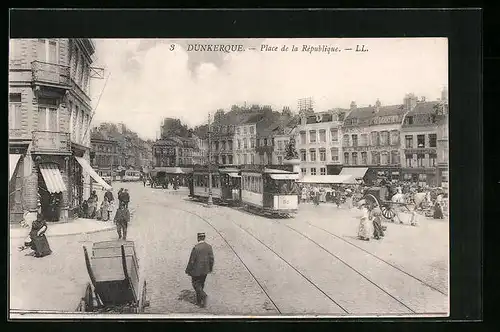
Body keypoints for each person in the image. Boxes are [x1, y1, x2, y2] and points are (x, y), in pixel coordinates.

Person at [185, 232, 214, 308]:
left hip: (196, 271)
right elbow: (211, 259)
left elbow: (192, 260)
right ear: (204, 238)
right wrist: (210, 268)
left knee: (195, 284)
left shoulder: (196, 248)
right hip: (205, 270)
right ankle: (199, 302)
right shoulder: (209, 247)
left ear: (198, 238)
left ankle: (204, 296)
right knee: (201, 284)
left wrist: (188, 270)